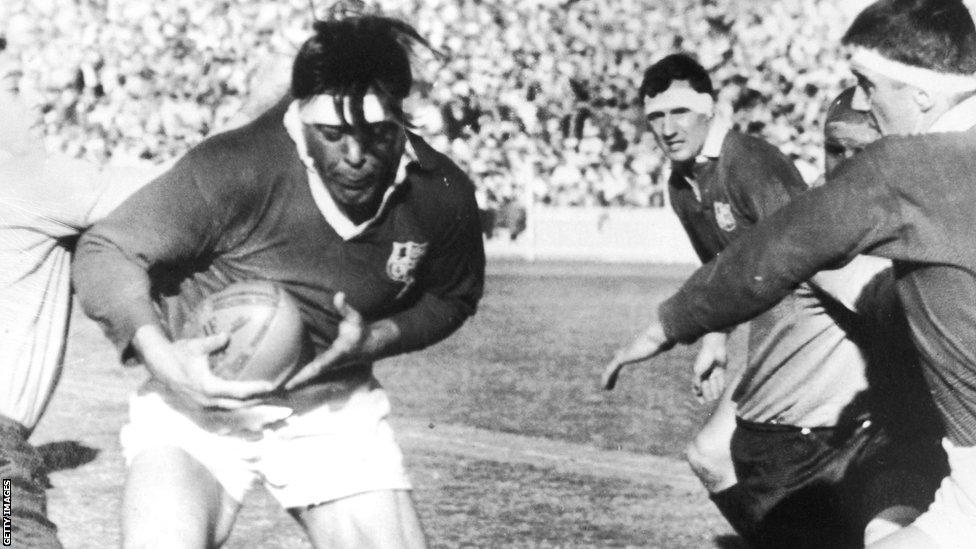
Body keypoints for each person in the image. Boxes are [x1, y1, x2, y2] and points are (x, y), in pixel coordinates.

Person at [72, 15, 484, 549]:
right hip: (196, 407)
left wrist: (378, 338)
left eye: (377, 133)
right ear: (299, 114)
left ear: (402, 117)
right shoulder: (237, 164)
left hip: (331, 410)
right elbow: (107, 248)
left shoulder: (441, 193)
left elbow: (453, 296)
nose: (355, 156)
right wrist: (165, 360)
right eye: (332, 135)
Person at [604, 0, 976, 547]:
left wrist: (666, 325)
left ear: (921, 92)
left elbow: (771, 253)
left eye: (868, 85)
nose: (866, 107)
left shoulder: (902, 165)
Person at [0, 36, 167, 548]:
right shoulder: (27, 178)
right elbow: (192, 185)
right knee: (13, 535)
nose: (31, 103)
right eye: (10, 87)